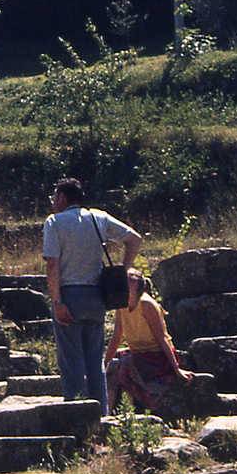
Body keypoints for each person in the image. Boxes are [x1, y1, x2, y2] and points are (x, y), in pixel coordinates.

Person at [42, 177, 142, 415]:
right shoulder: (99, 217)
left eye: (53, 197)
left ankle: (79, 418)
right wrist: (124, 269)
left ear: (62, 197)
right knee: (95, 363)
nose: (52, 202)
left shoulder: (54, 222)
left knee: (72, 363)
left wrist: (57, 301)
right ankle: (102, 417)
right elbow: (134, 239)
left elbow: (52, 265)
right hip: (96, 298)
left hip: (69, 296)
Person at [104, 276, 193, 413]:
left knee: (125, 364)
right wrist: (105, 363)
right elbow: (117, 336)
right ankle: (107, 413)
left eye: (129, 279)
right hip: (138, 356)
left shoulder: (146, 304)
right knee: (114, 365)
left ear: (136, 284)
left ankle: (125, 411)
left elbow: (161, 338)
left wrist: (176, 369)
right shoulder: (121, 304)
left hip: (157, 357)